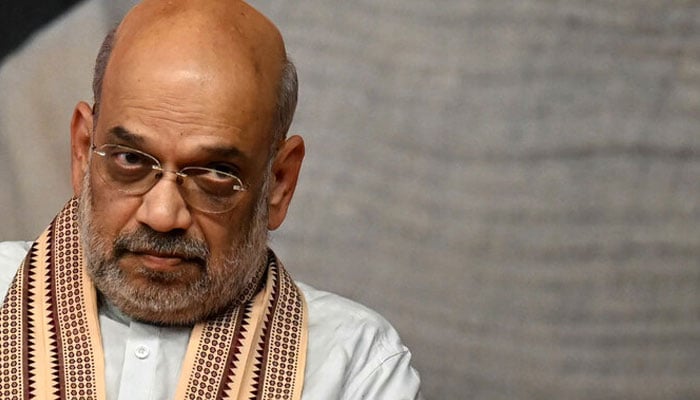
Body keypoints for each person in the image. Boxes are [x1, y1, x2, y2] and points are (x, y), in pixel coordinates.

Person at [0, 0, 423, 399]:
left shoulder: (356, 366)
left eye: (216, 175)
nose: (163, 215)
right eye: (130, 160)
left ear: (279, 182)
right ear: (82, 150)